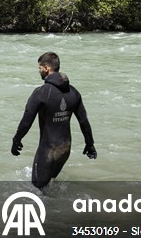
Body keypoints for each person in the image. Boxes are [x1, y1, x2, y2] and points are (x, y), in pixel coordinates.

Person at [11, 52, 97, 190]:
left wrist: (16, 140)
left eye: (40, 68)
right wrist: (90, 144)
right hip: (64, 150)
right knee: (50, 185)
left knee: (37, 190)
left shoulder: (41, 92)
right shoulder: (73, 92)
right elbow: (83, 121)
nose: (39, 71)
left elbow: (27, 120)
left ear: (46, 68)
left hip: (48, 152)